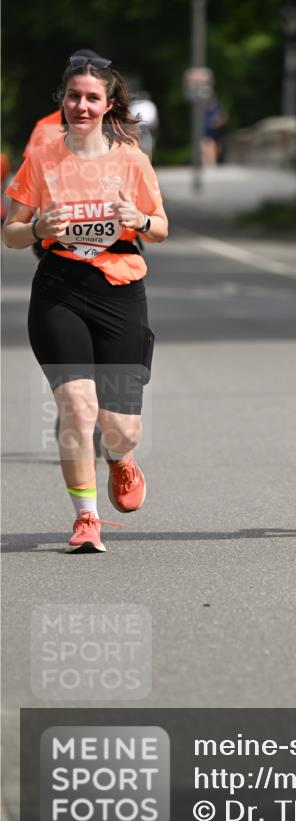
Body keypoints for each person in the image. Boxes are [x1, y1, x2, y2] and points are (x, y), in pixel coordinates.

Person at [3, 55, 169, 553]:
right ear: (63, 101)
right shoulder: (43, 158)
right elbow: (11, 233)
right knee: (77, 408)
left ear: (109, 105)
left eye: (92, 97)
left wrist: (137, 218)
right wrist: (36, 229)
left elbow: (161, 228)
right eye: (74, 96)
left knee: (121, 429)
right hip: (60, 289)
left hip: (119, 290)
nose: (81, 105)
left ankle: (119, 457)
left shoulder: (132, 160)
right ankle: (86, 519)